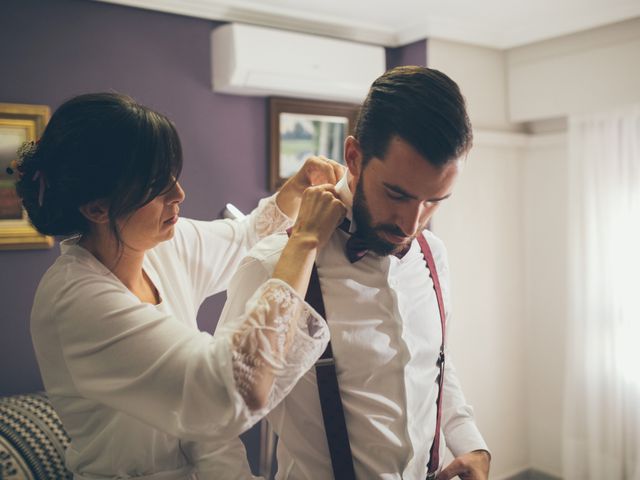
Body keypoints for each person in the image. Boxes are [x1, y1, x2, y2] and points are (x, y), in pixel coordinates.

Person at [14, 92, 346, 480]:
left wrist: (293, 191)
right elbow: (233, 387)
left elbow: (245, 237)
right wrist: (304, 239)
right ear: (96, 208)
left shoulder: (157, 247)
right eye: (157, 186)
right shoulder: (75, 301)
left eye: (172, 176)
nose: (179, 194)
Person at [215, 66, 491, 479]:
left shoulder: (434, 255)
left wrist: (472, 445)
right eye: (396, 194)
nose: (412, 223)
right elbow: (215, 419)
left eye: (434, 201)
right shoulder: (271, 265)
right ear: (353, 157)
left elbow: (435, 364)